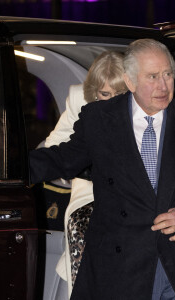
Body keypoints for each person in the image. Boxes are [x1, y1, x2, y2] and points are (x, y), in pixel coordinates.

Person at [30, 39, 175, 300]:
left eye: (168, 75)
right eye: (152, 77)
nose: (163, 86)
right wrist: (6, 172)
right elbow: (62, 159)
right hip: (119, 267)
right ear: (129, 81)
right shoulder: (99, 119)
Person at [44, 50, 127, 297]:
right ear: (93, 91)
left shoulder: (144, 105)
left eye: (121, 93)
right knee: (86, 227)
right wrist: (76, 165)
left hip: (133, 192)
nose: (112, 99)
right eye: (105, 94)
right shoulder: (78, 97)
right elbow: (53, 148)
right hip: (89, 193)